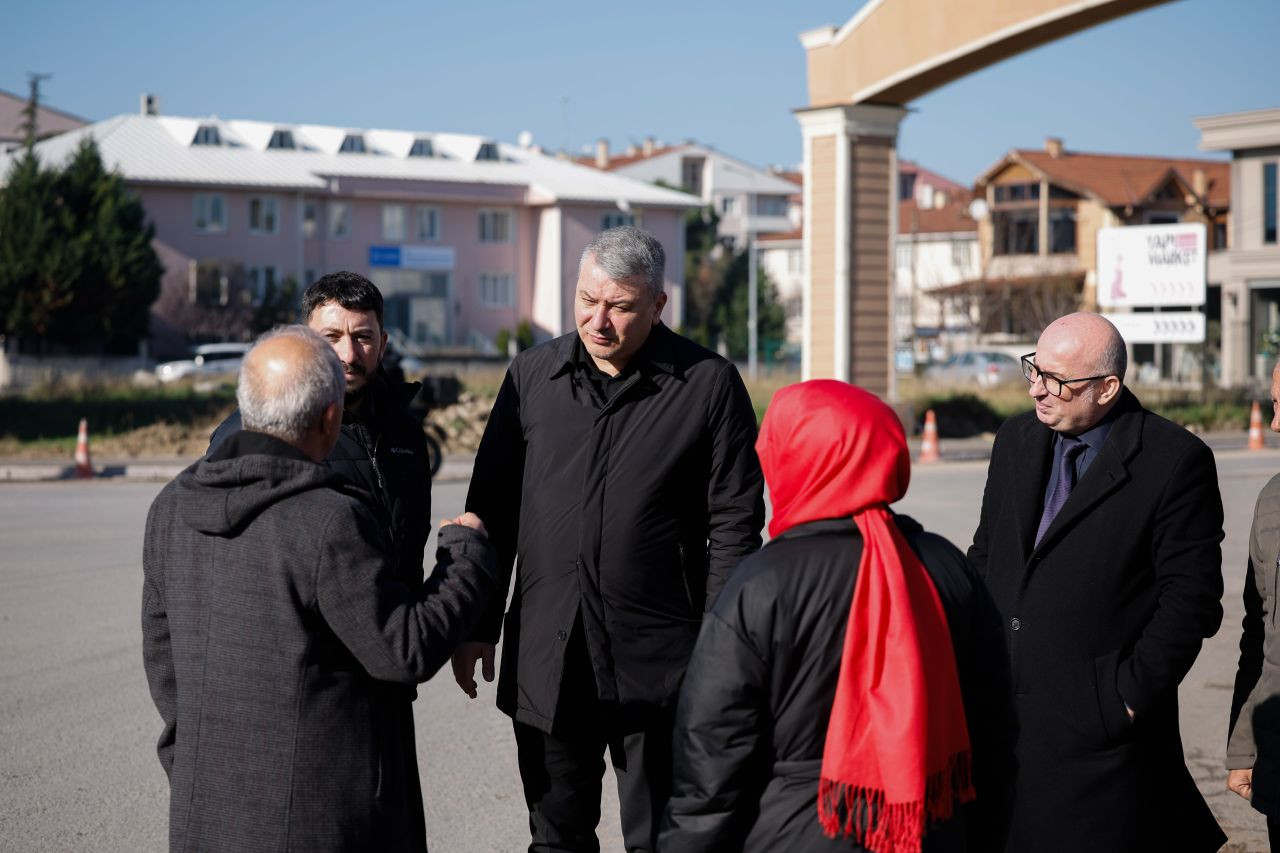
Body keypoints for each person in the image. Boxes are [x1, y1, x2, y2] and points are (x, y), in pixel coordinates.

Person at [453, 226, 765, 852]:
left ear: (657, 305)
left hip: (662, 663)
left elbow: (734, 527)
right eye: (586, 299)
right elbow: (491, 510)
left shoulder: (707, 385)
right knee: (556, 838)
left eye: (620, 306)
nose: (598, 321)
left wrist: (720, 647)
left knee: (666, 840)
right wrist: (478, 621)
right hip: (550, 656)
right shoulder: (532, 376)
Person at [142, 326, 498, 853]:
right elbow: (404, 650)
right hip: (318, 816)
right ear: (331, 418)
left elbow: (163, 659)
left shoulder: (170, 507)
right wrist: (464, 556)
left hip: (205, 810)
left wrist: (192, 758)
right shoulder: (327, 519)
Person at [660, 380, 1006, 853]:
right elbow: (992, 727)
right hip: (931, 825)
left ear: (797, 461)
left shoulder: (760, 582)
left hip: (793, 831)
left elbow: (713, 750)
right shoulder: (947, 566)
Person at [968, 312, 1226, 852]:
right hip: (1004, 727)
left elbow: (1191, 601)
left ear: (1108, 387)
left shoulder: (1174, 460)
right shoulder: (1016, 438)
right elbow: (988, 554)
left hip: (1103, 744)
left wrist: (1124, 699)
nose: (1038, 389)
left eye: (1057, 380)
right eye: (1033, 370)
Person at [210, 271, 432, 588]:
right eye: (332, 337)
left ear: (382, 345)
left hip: (397, 631)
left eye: (363, 338)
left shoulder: (406, 432)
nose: (349, 355)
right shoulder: (252, 433)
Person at [1227, 363, 1280, 846]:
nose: (1276, 423)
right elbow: (1259, 634)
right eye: (1275, 403)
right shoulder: (1272, 500)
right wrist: (1242, 746)